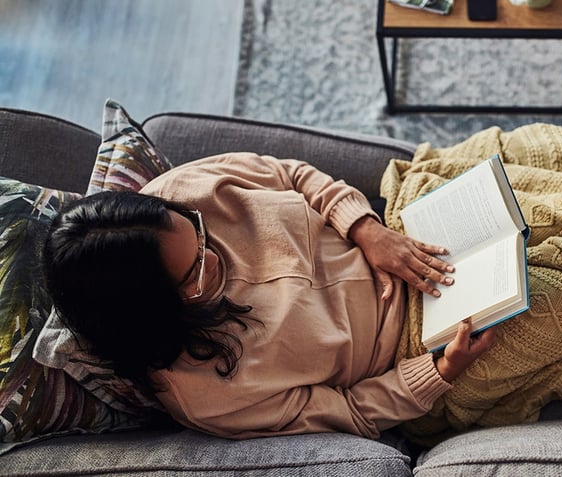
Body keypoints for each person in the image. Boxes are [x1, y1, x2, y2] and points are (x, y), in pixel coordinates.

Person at [41, 152, 497, 440]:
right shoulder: (205, 395)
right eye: (195, 272)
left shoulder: (179, 193)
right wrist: (438, 372)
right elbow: (349, 412)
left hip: (400, 226)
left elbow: (290, 175)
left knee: (527, 166)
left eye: (199, 234)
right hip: (417, 346)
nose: (213, 258)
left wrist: (368, 230)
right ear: (152, 314)